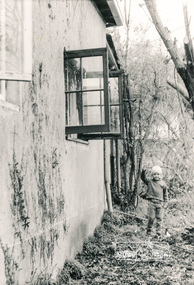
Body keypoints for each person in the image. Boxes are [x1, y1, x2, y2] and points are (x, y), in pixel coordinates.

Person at [141, 165, 168, 238]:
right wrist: (143, 172)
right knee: (151, 218)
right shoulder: (150, 181)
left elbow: (165, 194)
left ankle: (158, 233)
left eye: (158, 174)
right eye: (154, 174)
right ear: (152, 175)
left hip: (160, 203)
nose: (156, 176)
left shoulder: (163, 183)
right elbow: (143, 178)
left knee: (159, 218)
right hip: (151, 202)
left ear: (161, 175)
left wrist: (165, 203)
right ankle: (149, 231)